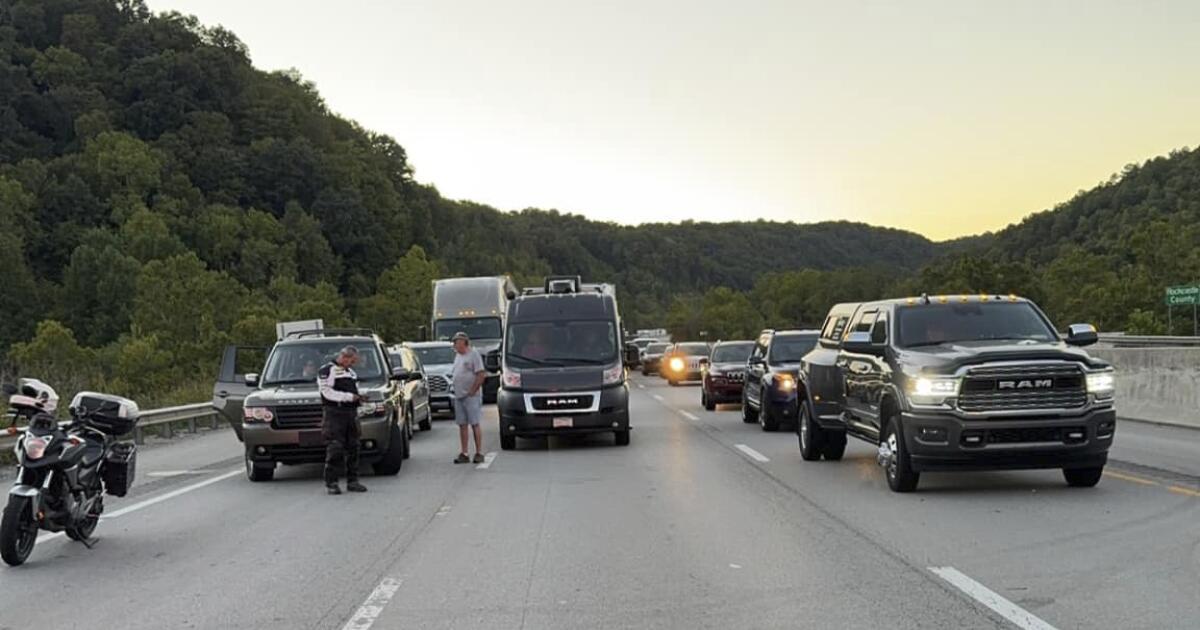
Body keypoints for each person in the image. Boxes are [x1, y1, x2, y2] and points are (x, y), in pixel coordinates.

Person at [318, 346, 367, 495]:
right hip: (335, 413)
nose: (352, 364)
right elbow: (326, 392)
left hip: (350, 413)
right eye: (351, 361)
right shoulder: (327, 370)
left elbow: (354, 391)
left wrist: (360, 397)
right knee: (335, 447)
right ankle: (331, 482)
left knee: (354, 446)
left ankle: (353, 481)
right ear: (344, 357)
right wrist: (349, 397)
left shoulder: (350, 372)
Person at [450, 331, 487, 464]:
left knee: (474, 423)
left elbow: (481, 374)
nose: (454, 344)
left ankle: (479, 452)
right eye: (454, 342)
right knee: (462, 424)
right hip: (459, 395)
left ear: (464, 342)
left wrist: (473, 390)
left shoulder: (473, 354)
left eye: (456, 342)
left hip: (471, 395)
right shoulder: (458, 356)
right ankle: (464, 452)